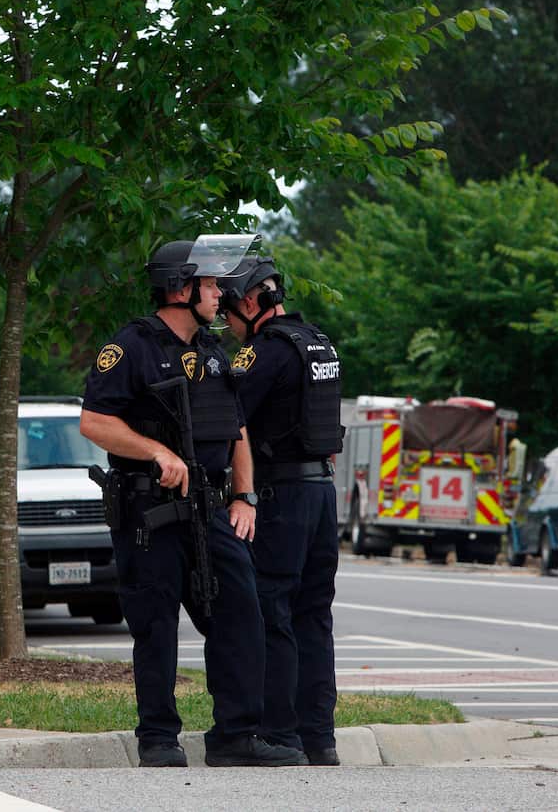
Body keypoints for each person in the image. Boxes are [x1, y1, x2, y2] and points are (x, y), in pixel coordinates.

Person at [80, 237, 305, 768]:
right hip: (150, 511)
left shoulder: (212, 352)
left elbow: (237, 430)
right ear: (180, 288)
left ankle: (235, 735)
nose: (219, 294)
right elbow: (95, 422)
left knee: (240, 613)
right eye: (209, 284)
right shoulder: (131, 347)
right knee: (156, 625)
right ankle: (158, 737)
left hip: (209, 509)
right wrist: (156, 451)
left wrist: (244, 496)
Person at [219, 255, 344, 767]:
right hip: (321, 495)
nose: (226, 324)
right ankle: (320, 737)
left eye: (228, 311)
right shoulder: (318, 341)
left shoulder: (264, 351)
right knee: (314, 616)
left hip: (282, 497)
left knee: (274, 612)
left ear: (251, 303)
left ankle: (279, 733)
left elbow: (228, 413)